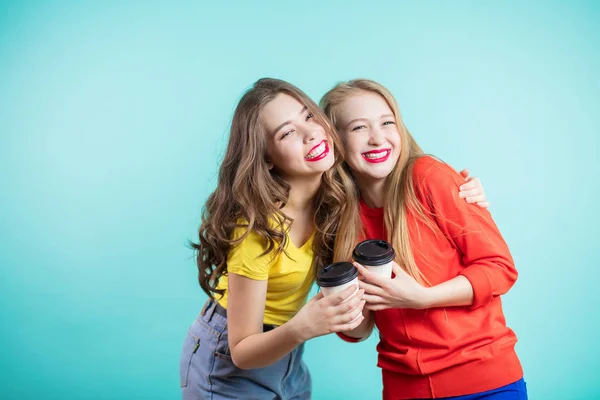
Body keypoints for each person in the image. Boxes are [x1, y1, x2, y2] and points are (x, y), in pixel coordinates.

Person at [180, 78, 489, 399]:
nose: (310, 133)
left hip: (285, 351)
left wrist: (460, 189)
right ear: (266, 158)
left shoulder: (335, 202)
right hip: (230, 356)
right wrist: (303, 327)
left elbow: (378, 169)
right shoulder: (258, 230)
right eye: (287, 132)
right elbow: (242, 351)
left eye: (310, 117)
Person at [321, 79, 527, 399]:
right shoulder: (338, 217)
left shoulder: (429, 177)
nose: (378, 138)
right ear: (336, 141)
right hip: (405, 388)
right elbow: (359, 330)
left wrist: (422, 298)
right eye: (359, 127)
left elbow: (500, 268)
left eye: (387, 123)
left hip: (486, 382)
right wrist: (341, 307)